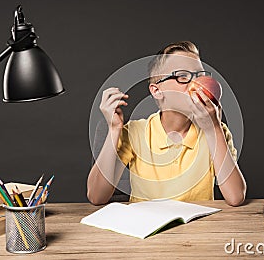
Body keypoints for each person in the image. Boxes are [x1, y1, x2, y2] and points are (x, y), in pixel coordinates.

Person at [87, 41, 246, 206]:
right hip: (146, 226)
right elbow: (96, 196)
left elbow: (235, 197)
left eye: (199, 75)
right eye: (183, 76)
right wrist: (114, 130)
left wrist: (213, 128)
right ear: (157, 91)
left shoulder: (216, 131)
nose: (196, 83)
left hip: (198, 228)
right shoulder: (135, 132)